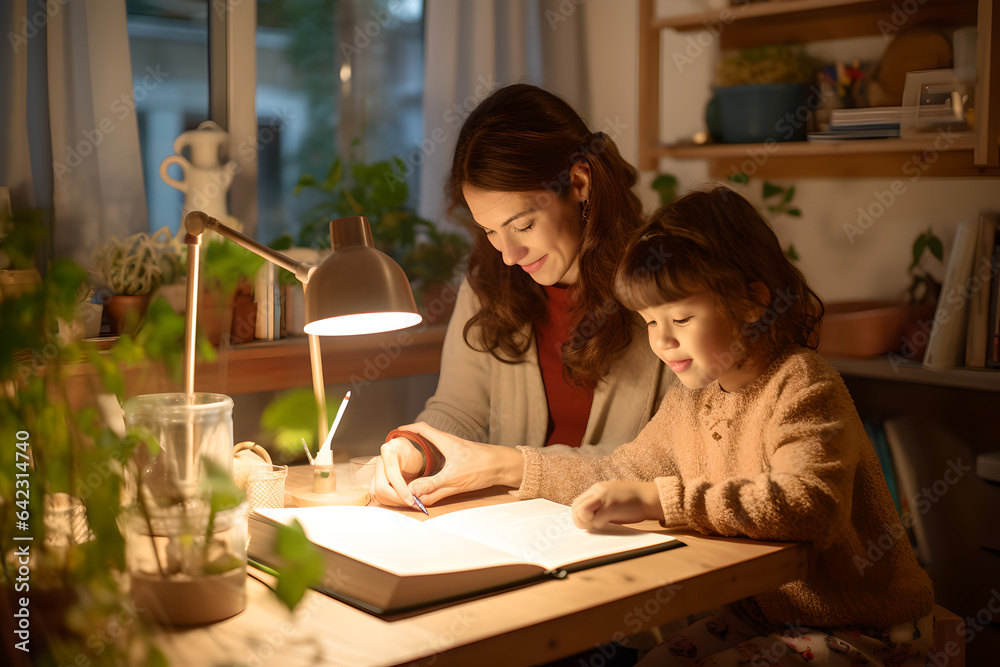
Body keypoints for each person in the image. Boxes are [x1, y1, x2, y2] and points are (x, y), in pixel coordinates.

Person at [375, 186, 936, 666]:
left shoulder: (802, 383)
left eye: (682, 319)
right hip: (759, 616)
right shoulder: (693, 402)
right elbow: (620, 469)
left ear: (752, 302)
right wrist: (539, 477)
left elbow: (809, 503)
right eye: (649, 322)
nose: (662, 341)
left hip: (866, 628)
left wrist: (657, 500)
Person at [414, 83, 672, 456]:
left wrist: (515, 467)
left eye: (523, 226)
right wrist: (416, 449)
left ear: (580, 182)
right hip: (518, 513)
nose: (509, 255)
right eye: (490, 231)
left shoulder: (662, 281)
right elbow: (458, 409)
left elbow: (663, 457)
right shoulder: (490, 282)